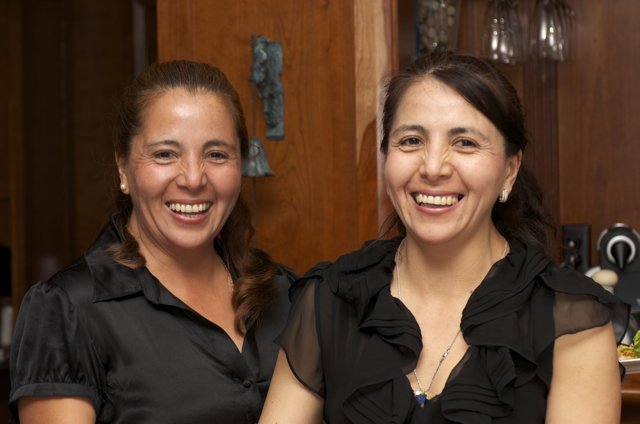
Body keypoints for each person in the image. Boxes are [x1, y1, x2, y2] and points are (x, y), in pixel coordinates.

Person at [259, 51, 629, 424]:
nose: (433, 167)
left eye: (465, 142)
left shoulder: (572, 320)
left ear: (510, 170)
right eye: (411, 140)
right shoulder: (330, 299)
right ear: (386, 156)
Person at [10, 61, 296, 423]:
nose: (193, 179)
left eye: (216, 154)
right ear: (123, 167)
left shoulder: (286, 293)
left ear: (240, 166)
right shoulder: (67, 310)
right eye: (165, 154)